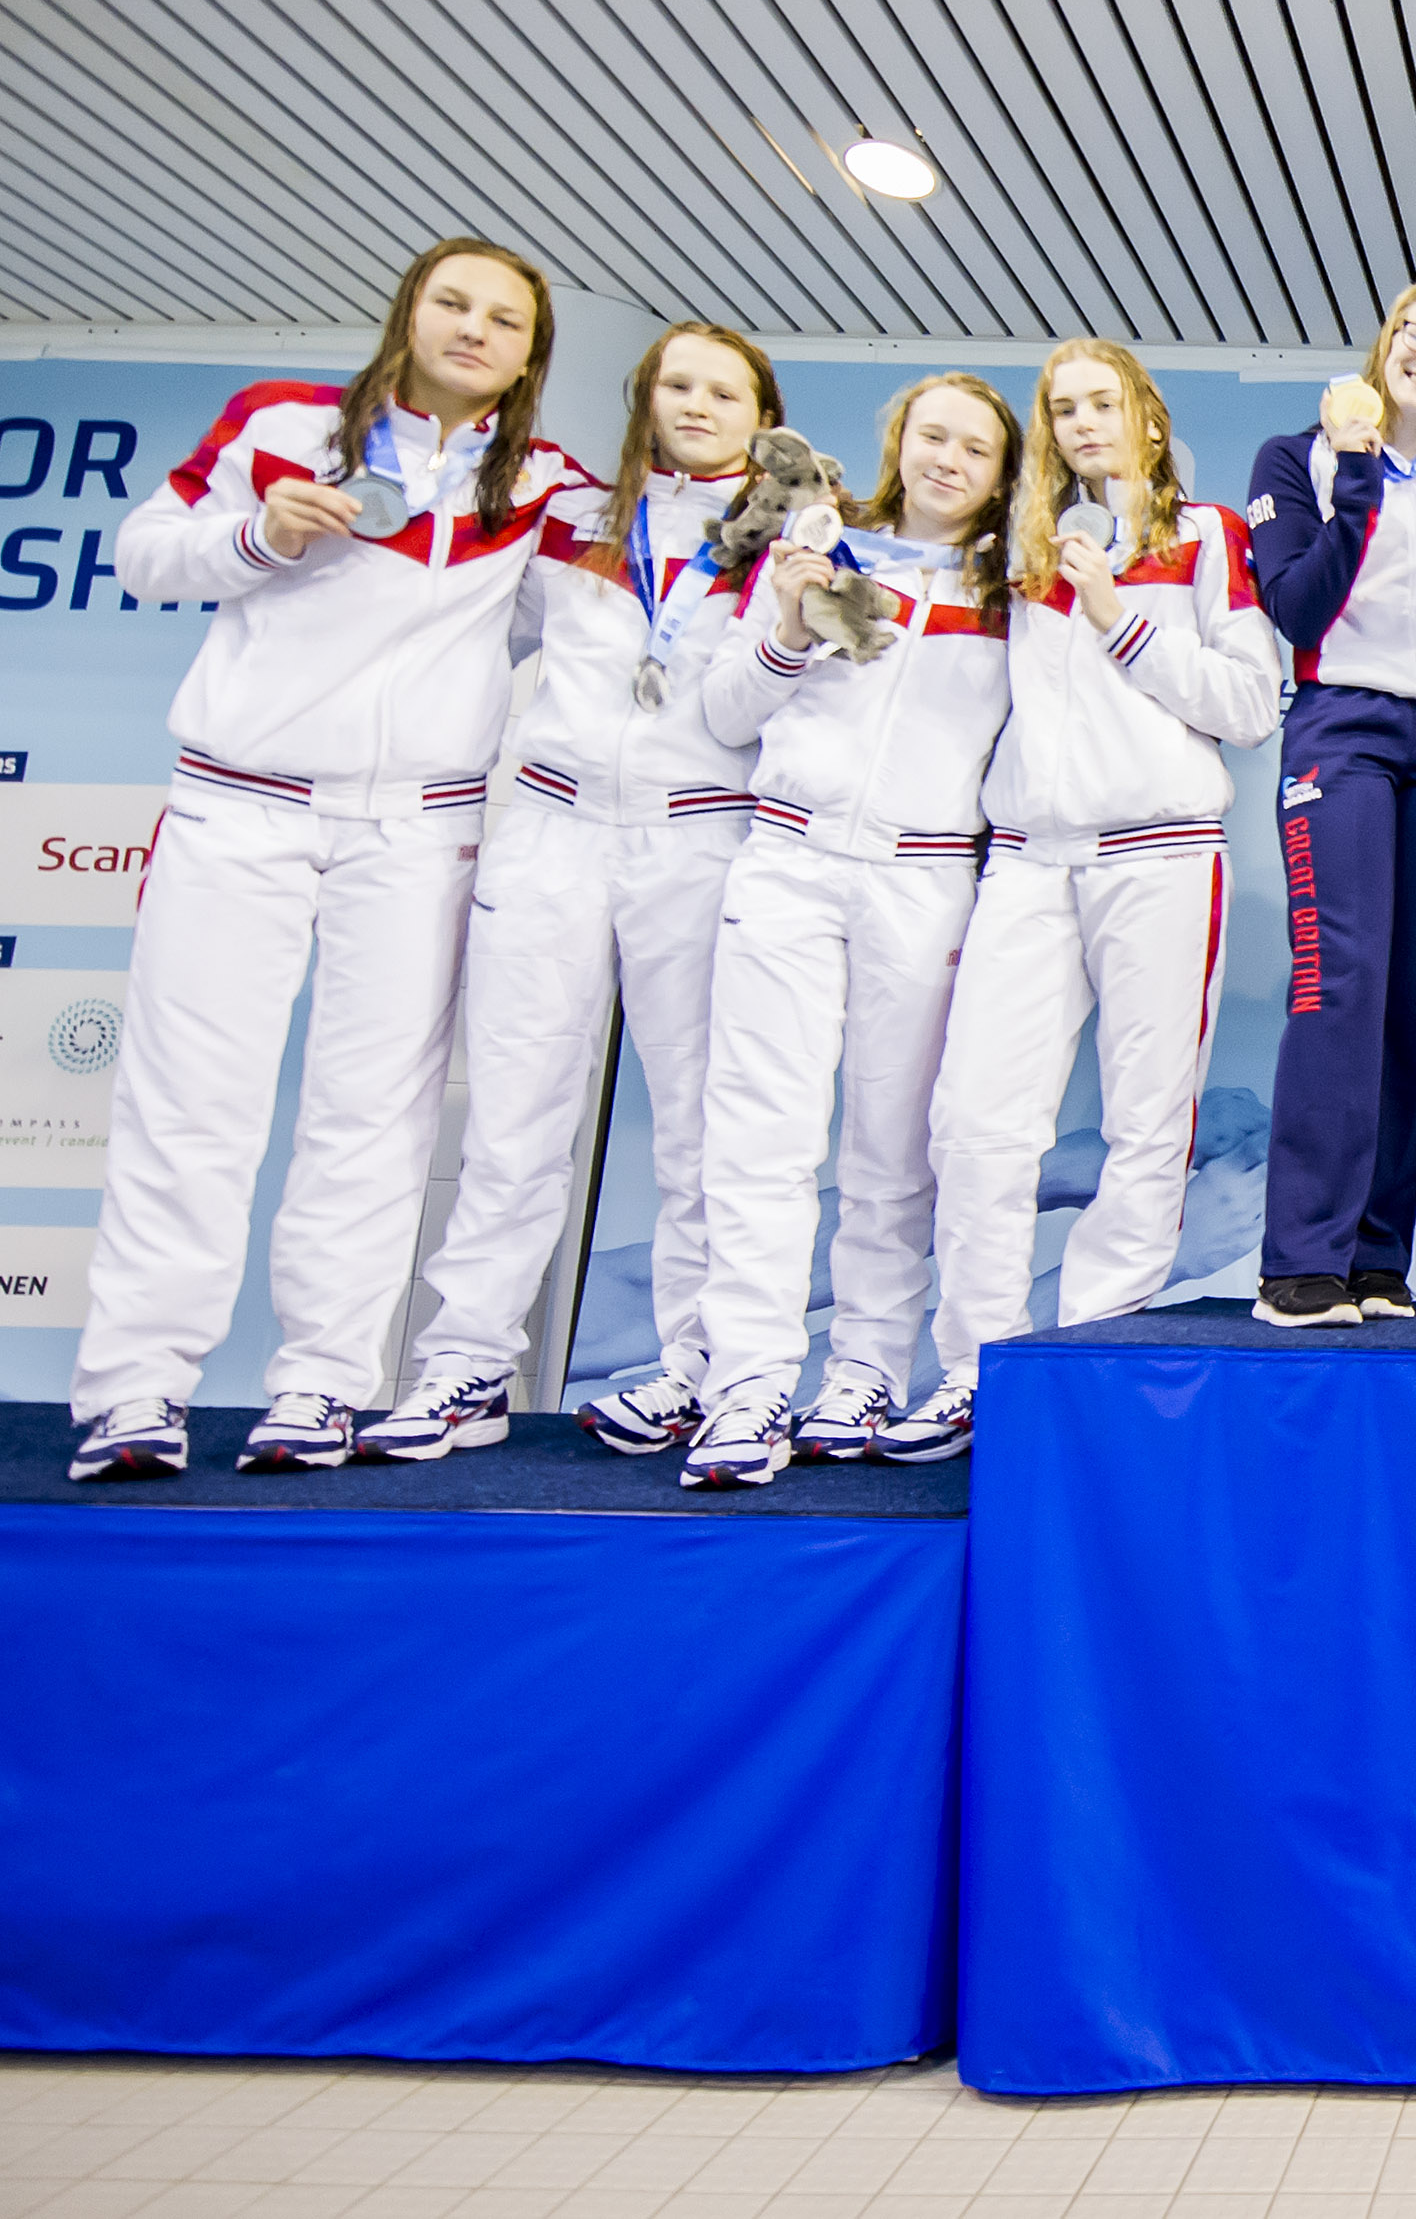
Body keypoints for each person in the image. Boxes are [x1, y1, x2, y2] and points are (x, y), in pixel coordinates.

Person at [70, 238, 586, 1482]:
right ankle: (134, 1389)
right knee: (188, 1100)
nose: (472, 328)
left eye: (503, 319)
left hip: (417, 823)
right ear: (408, 313)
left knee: (375, 1115)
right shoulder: (282, 424)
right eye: (451, 302)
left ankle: (320, 1385)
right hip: (237, 804)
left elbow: (591, 624)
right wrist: (252, 536)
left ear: (530, 354)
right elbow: (147, 554)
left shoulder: (551, 484)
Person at [353, 323, 781, 1464]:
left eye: (722, 390)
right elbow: (471, 637)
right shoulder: (569, 514)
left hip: (697, 833)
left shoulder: (792, 536)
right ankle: (466, 1363)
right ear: (642, 398)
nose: (696, 405)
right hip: (552, 823)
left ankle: (695, 1363)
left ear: (761, 412)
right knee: (513, 1104)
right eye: (675, 385)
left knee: (704, 1119)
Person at [881, 343, 1277, 1457]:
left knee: (1149, 1122)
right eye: (1061, 409)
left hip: (1159, 849)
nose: (1082, 423)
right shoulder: (1015, 547)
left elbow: (1248, 703)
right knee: (973, 1121)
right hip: (1024, 857)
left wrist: (1120, 615)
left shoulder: (1204, 536)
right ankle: (973, 1367)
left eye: (1102, 404)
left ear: (1146, 420)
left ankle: (1094, 1352)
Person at [679, 375, 1019, 1488]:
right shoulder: (822, 547)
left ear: (1004, 469)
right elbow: (725, 713)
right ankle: (745, 1383)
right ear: (897, 439)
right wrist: (786, 623)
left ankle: (864, 1366)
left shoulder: (1013, 590)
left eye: (976, 445)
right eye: (932, 434)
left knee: (890, 1147)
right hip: (786, 857)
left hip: (924, 877)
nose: (950, 459)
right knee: (759, 1139)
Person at [1248, 284, 1416, 1327]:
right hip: (1341, 727)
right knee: (1337, 979)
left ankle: (1371, 1254)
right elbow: (1299, 603)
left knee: (1414, 1000)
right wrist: (1355, 467)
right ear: (1384, 342)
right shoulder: (1294, 456)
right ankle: (1298, 1261)